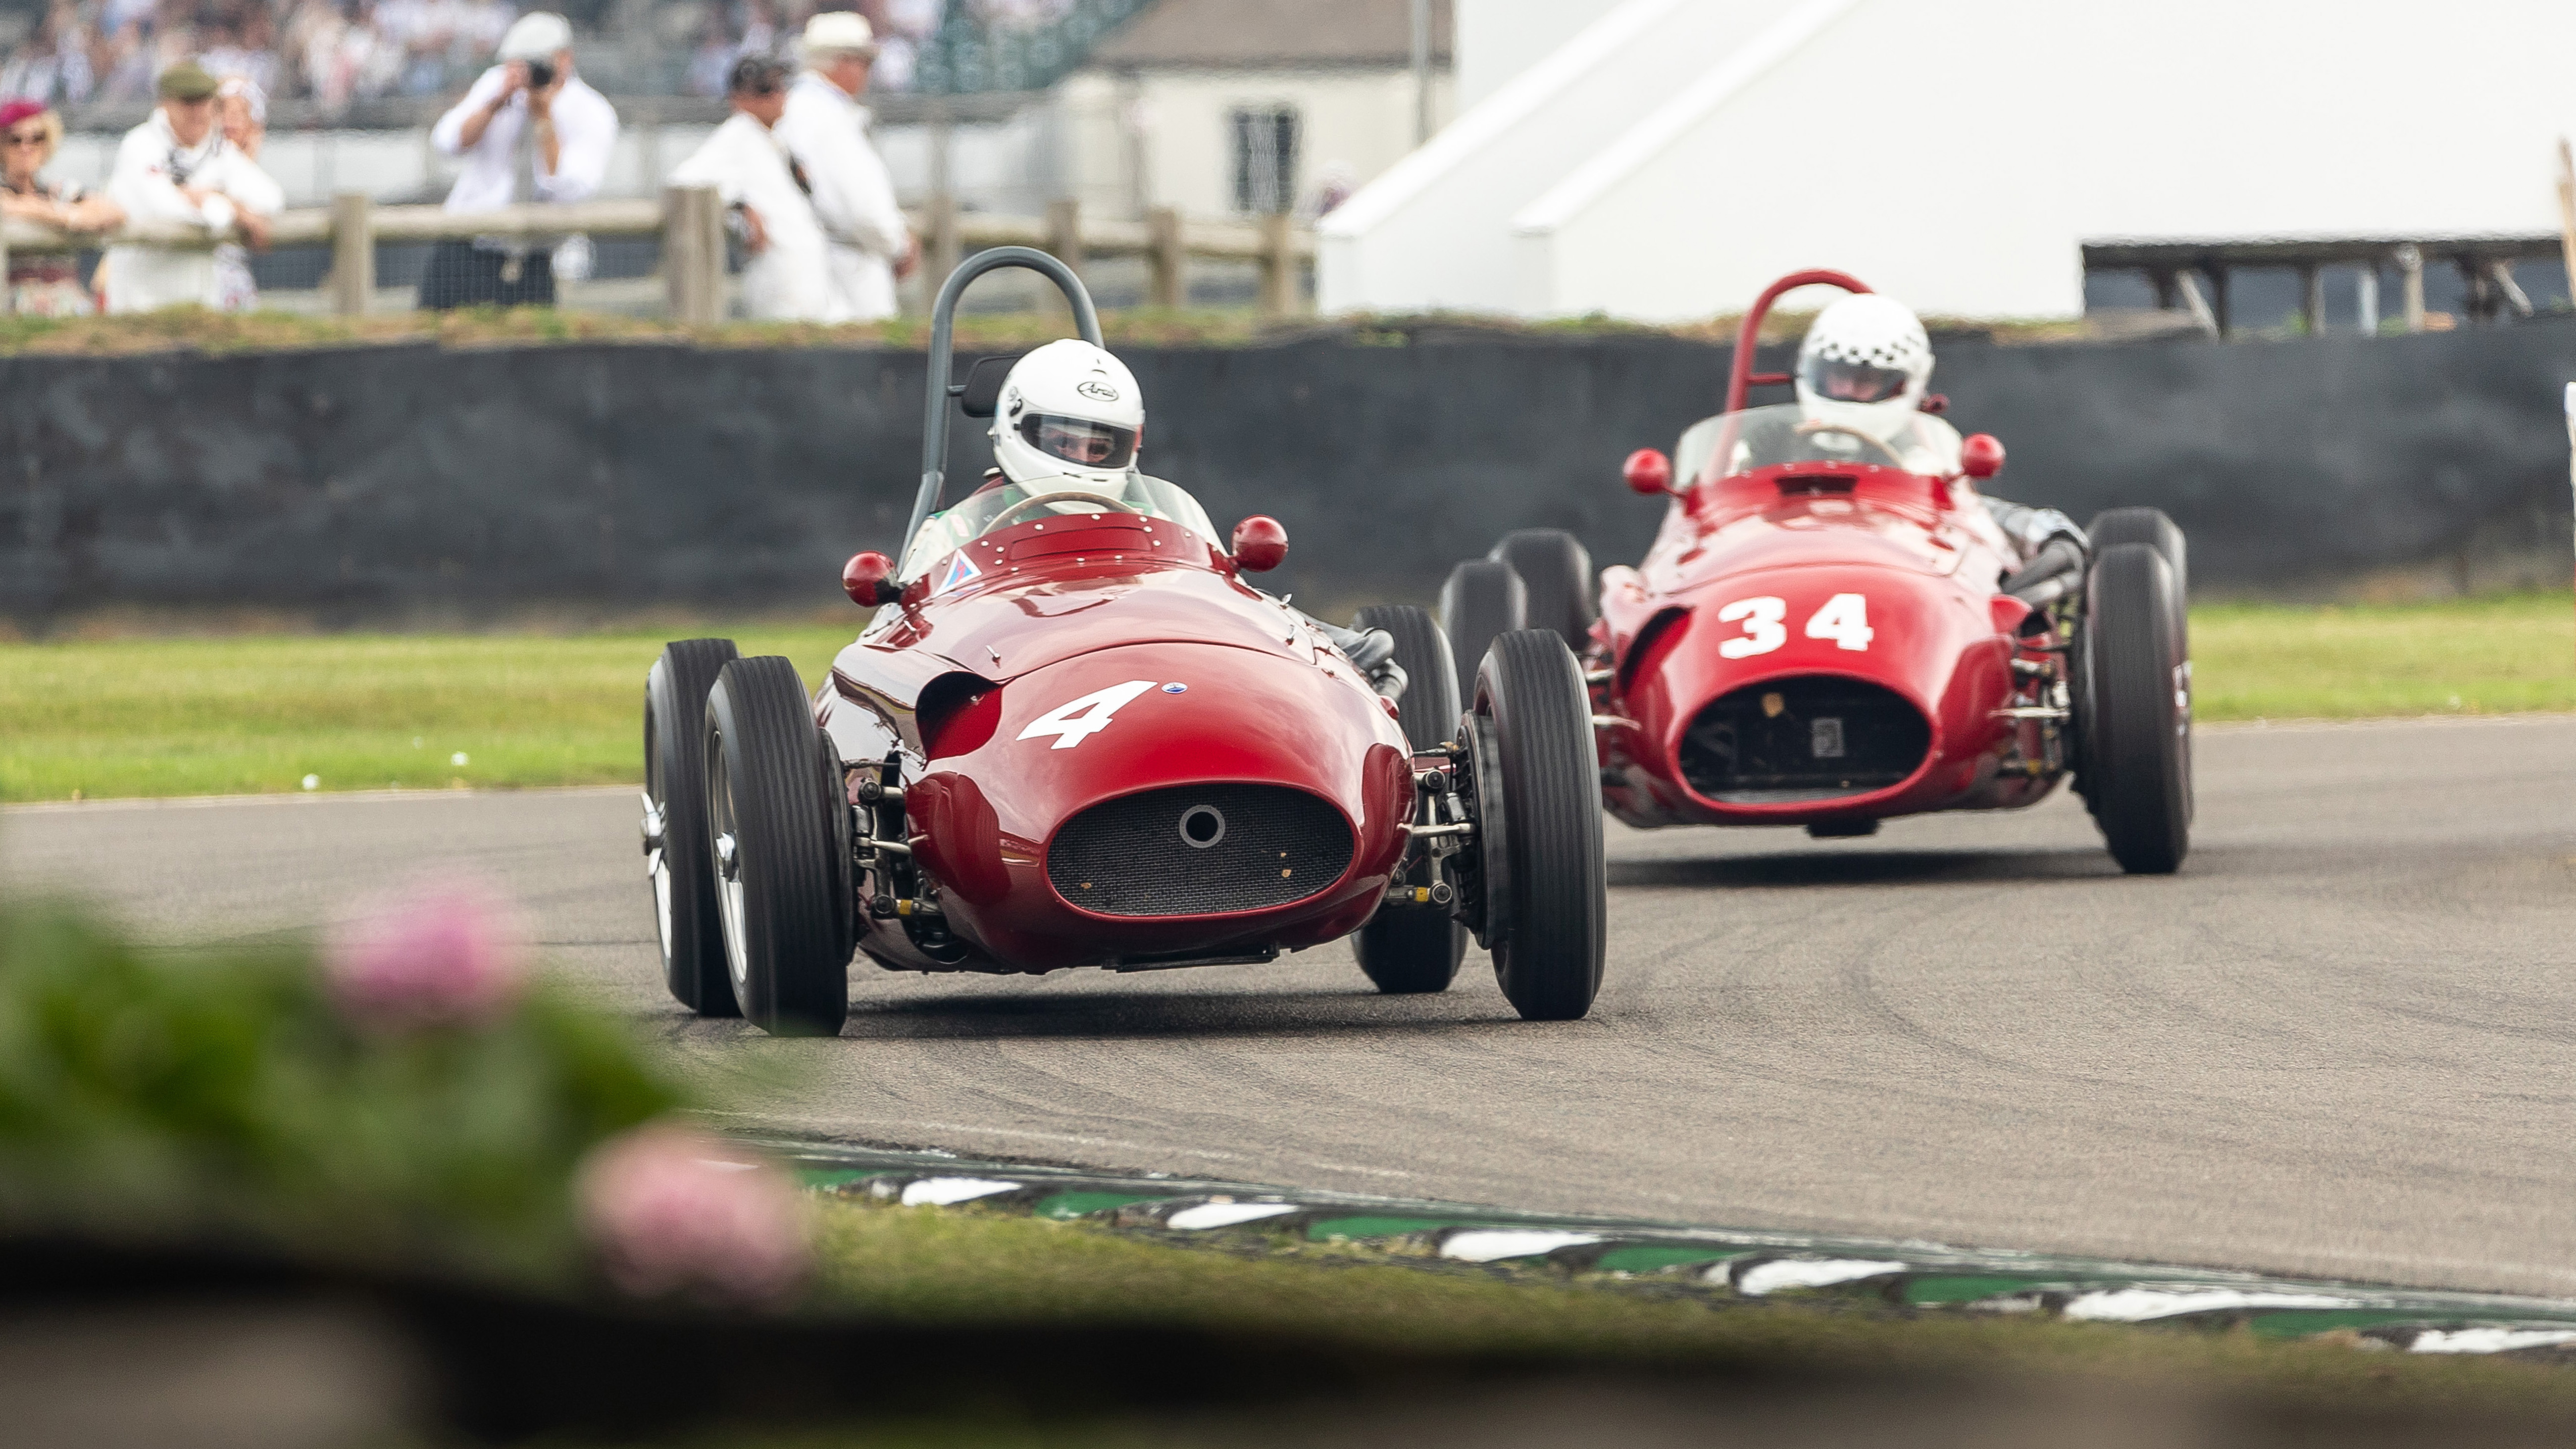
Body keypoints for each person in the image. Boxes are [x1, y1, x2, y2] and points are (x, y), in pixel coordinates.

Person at [902, 339, 1406, 695]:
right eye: (1062, 441)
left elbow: (1210, 590)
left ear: (1132, 444)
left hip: (1153, 664)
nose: (1080, 457)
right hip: (1018, 677)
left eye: (1099, 446)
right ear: (1016, 425)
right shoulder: (959, 528)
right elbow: (910, 629)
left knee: (1361, 654)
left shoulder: (1155, 517)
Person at [1786, 293, 2080, 566]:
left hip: (1907, 571)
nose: (1847, 390)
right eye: (1837, 375)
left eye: (1866, 379)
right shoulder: (1768, 445)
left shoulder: (1926, 452)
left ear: (1902, 382)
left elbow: (1970, 511)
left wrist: (2039, 529)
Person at [422, 10, 618, 309]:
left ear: (565, 59)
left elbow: (570, 187)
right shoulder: (496, 85)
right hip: (465, 245)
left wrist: (545, 119)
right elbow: (447, 143)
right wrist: (494, 104)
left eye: (535, 64)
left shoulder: (591, 111)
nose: (527, 74)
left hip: (533, 259)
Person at [102, 60, 282, 314]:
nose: (197, 112)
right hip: (140, 306)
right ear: (165, 104)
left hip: (200, 308)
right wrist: (228, 209)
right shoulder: (140, 145)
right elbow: (167, 209)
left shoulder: (218, 149)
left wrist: (211, 198)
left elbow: (271, 199)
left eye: (204, 102)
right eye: (188, 102)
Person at [667, 52, 830, 320]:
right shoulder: (738, 133)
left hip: (804, 278)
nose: (778, 96)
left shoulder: (774, 137)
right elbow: (685, 181)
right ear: (739, 99)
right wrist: (740, 208)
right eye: (766, 90)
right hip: (778, 282)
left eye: (780, 86)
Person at [779, 10, 915, 322]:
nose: (867, 72)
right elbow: (862, 208)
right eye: (864, 62)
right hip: (848, 268)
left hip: (819, 263)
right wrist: (899, 244)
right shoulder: (827, 118)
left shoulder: (800, 109)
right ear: (842, 62)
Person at [0, 98, 122, 315]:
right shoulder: (10, 191)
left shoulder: (57, 190)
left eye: (37, 138)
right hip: (17, 311)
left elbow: (113, 212)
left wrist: (57, 215)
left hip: (68, 307)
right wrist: (69, 215)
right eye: (15, 140)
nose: (27, 147)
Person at [210, 74, 266, 311]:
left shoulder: (257, 176)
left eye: (240, 114)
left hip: (235, 279)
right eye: (223, 111)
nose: (229, 121)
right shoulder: (201, 160)